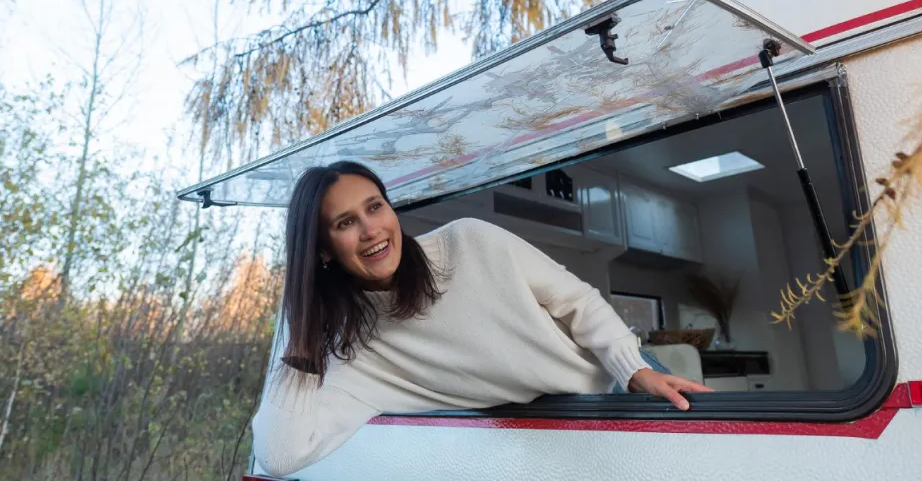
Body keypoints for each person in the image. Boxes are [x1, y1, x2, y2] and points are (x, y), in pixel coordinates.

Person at [252, 161, 711, 476]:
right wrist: (301, 314)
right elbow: (280, 453)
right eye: (344, 223)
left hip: (621, 382)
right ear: (322, 251)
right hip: (560, 429)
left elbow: (579, 301)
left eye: (375, 206)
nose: (371, 229)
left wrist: (635, 368)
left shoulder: (468, 242)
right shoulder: (354, 355)